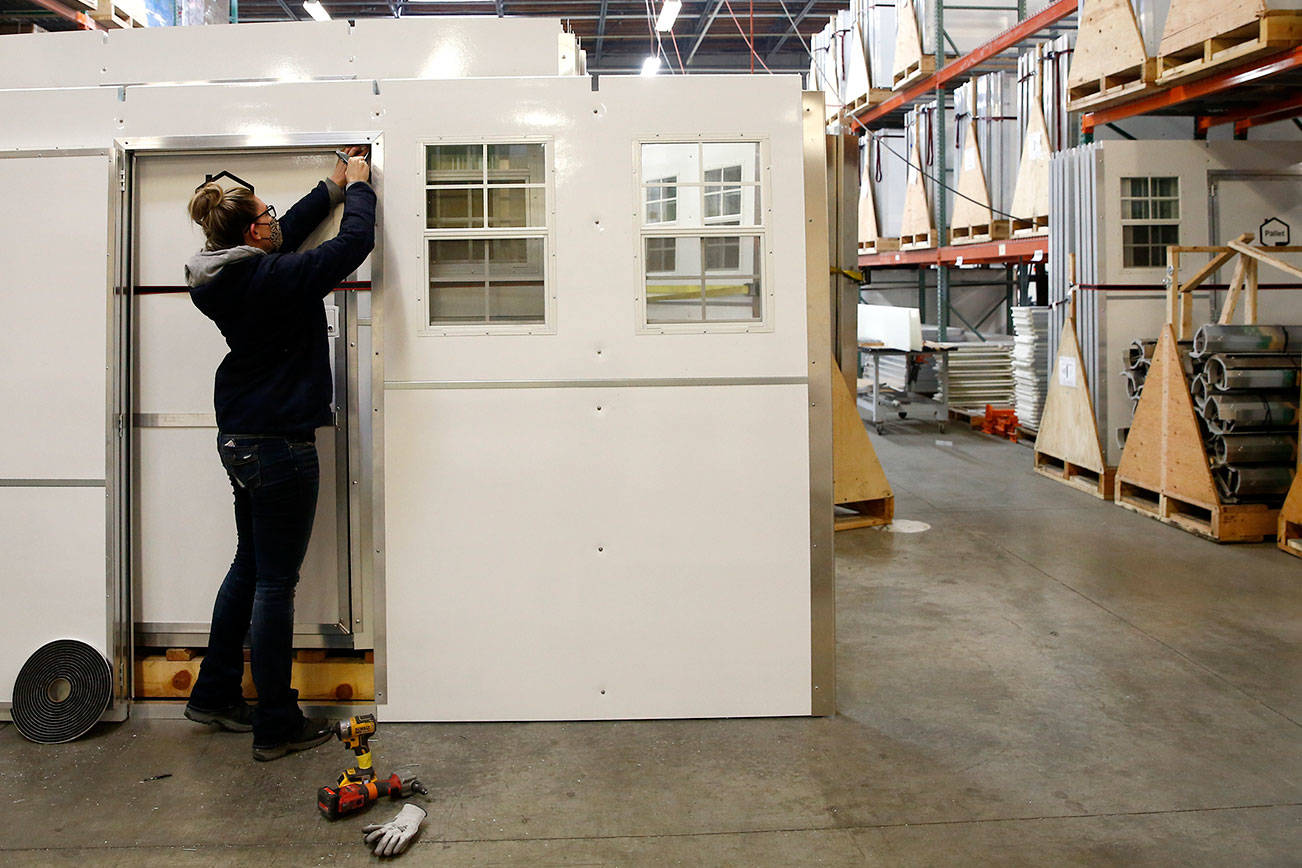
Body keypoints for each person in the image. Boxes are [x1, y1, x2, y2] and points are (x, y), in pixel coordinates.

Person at [181, 147, 375, 761]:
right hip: (280, 449)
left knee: (249, 568)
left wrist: (331, 185)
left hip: (241, 438)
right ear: (250, 231)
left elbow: (284, 231)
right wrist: (362, 191)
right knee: (274, 587)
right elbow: (350, 247)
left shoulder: (222, 270)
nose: (275, 222)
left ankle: (212, 694)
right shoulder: (270, 276)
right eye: (266, 215)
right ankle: (276, 723)